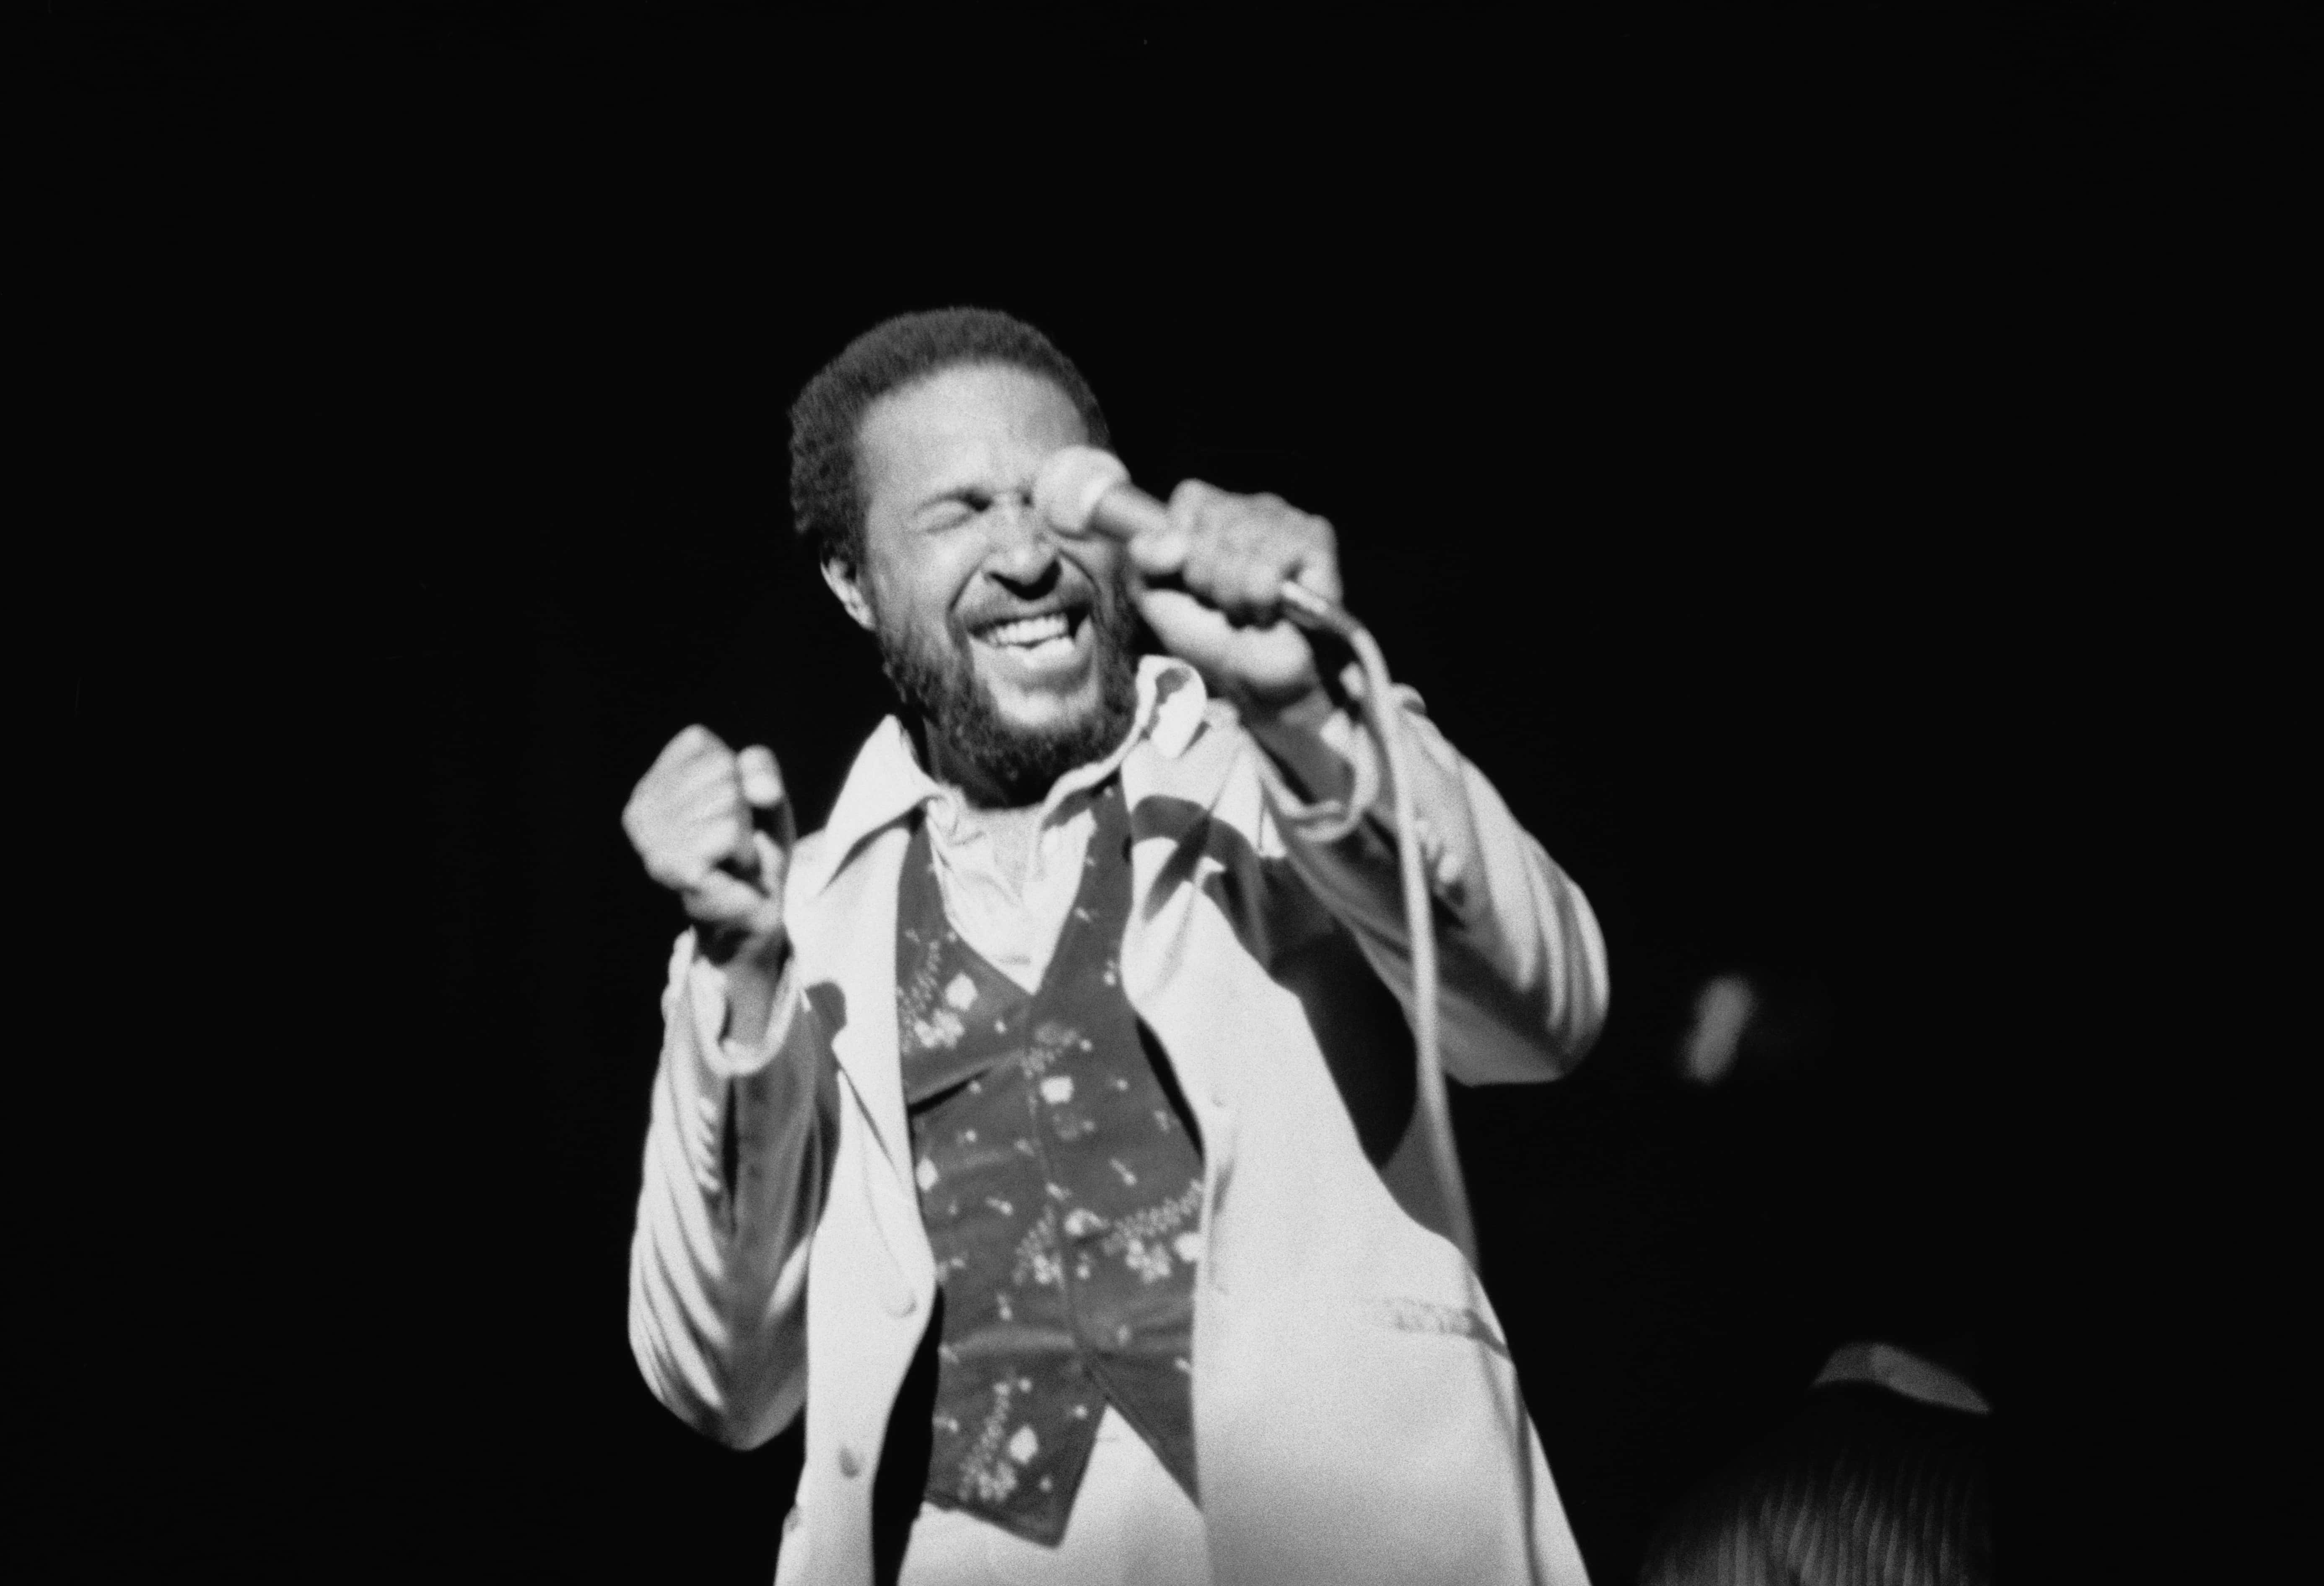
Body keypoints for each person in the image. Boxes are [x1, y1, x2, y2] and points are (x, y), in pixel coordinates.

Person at [620, 307, 1610, 1586]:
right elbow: (724, 1384)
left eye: (1056, 500)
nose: (1028, 555)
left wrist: (1302, 708)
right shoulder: (800, 914)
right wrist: (744, 968)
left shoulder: (1281, 770)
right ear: (853, 583)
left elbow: (1547, 1019)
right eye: (959, 513)